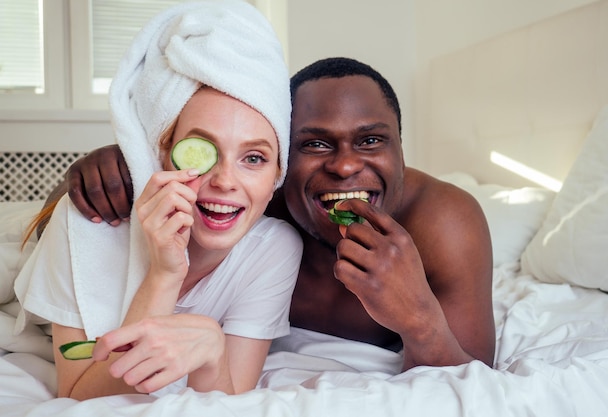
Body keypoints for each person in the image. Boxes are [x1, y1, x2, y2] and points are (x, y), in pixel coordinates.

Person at [46, 57, 496, 370]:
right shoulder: (258, 201)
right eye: (314, 144)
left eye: (370, 140)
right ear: (281, 160)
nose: (343, 165)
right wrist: (107, 171)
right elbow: (63, 226)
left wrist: (418, 318)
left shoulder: (444, 223)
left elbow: (476, 381)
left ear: (401, 146)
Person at [14, 0, 303, 400]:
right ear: (162, 152)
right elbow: (80, 399)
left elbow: (230, 402)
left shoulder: (273, 250)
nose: (224, 181)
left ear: (277, 176)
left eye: (254, 158)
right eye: (202, 150)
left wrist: (213, 355)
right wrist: (164, 274)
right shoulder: (83, 225)